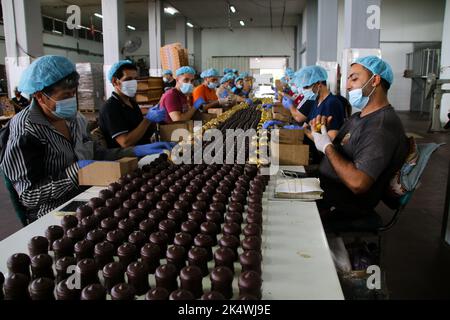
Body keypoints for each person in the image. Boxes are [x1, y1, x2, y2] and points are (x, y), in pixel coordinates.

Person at [0, 55, 171, 222]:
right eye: (65, 95)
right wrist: (75, 172)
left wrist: (134, 150)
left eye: (73, 94)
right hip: (52, 210)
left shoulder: (76, 119)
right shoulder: (25, 132)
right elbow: (29, 196)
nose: (71, 100)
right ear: (40, 96)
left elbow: (96, 153)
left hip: (89, 191)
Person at [310, 56, 409, 223]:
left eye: (354, 79)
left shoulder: (380, 127)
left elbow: (358, 183)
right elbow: (339, 150)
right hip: (326, 187)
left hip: (343, 204)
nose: (348, 86)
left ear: (375, 80)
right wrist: (321, 134)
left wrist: (326, 146)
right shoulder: (358, 117)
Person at [99, 60, 166, 148]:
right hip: (125, 158)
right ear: (115, 81)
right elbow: (125, 142)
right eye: (128, 79)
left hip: (143, 151)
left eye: (135, 79)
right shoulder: (110, 107)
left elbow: (141, 133)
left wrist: (154, 122)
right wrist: (147, 120)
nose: (134, 83)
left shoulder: (132, 103)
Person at [283, 65, 346, 141]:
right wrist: (297, 129)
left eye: (306, 87)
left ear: (319, 84)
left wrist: (304, 131)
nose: (303, 91)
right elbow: (306, 125)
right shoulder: (316, 101)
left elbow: (330, 140)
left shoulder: (332, 103)